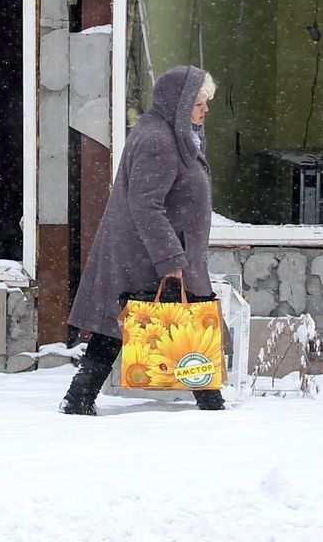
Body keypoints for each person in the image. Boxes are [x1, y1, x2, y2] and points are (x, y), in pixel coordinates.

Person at [60, 64, 222, 415]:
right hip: (149, 257)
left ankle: (79, 400)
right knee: (180, 324)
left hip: (158, 254)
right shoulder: (158, 140)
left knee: (129, 325)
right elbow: (146, 205)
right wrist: (171, 259)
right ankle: (211, 406)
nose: (205, 110)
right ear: (177, 104)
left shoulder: (174, 133)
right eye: (198, 103)